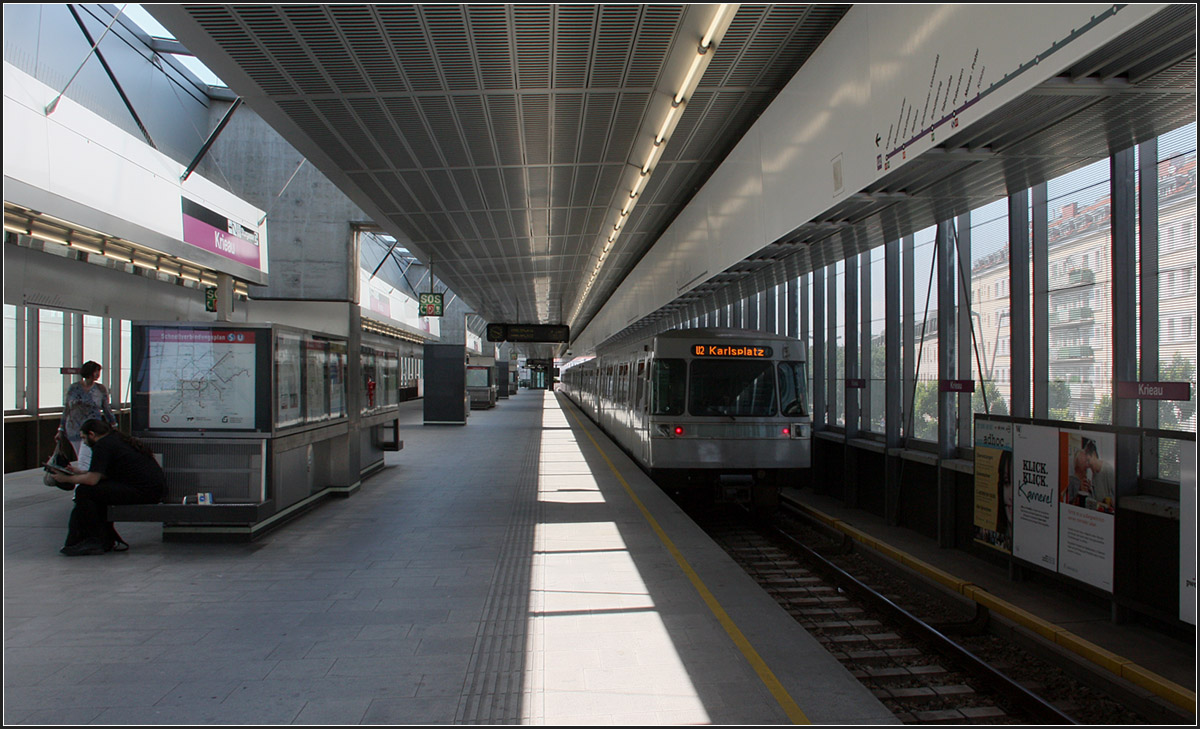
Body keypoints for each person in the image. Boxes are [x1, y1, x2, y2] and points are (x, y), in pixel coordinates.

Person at [50, 419, 165, 556]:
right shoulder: (116, 439)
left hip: (143, 492)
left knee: (84, 491)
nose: (84, 443)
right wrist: (79, 472)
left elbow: (92, 480)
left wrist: (66, 479)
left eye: (84, 438)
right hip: (151, 489)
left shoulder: (102, 445)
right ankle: (100, 538)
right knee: (95, 493)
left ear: (91, 434)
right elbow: (105, 473)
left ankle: (92, 539)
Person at [57, 361, 117, 471]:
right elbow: (67, 409)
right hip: (73, 428)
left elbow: (106, 408)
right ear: (90, 372)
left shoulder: (100, 389)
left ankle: (82, 482)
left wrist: (113, 424)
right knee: (81, 457)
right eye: (96, 371)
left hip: (92, 430)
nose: (98, 374)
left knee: (86, 458)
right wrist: (61, 428)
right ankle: (84, 481)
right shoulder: (74, 388)